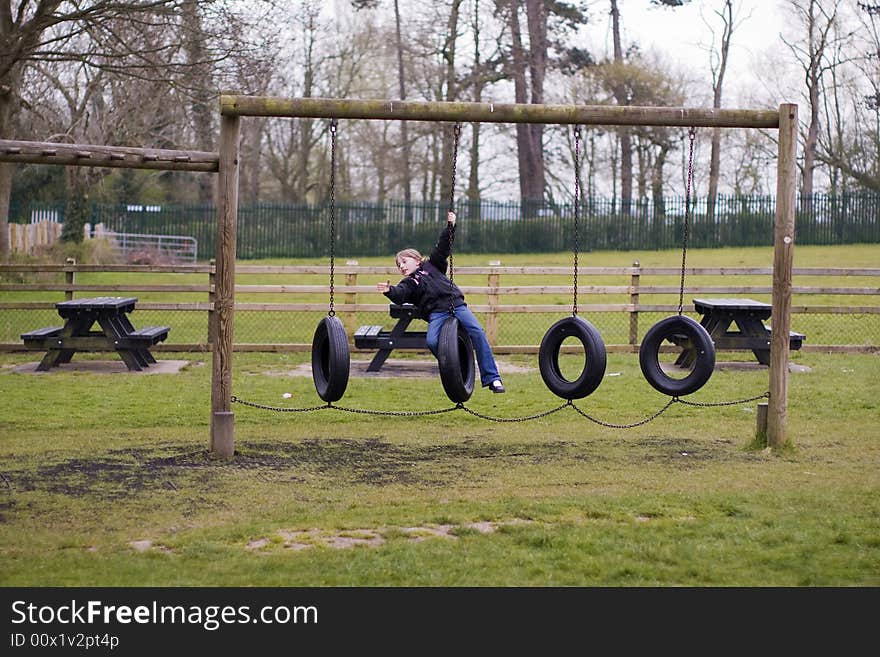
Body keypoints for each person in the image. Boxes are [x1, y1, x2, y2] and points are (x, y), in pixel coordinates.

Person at [376, 211, 505, 393]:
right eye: (399, 266)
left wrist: (451, 226)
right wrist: (390, 291)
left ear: (417, 259)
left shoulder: (432, 265)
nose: (402, 266)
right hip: (437, 313)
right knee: (432, 341)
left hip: (456, 305)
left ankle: (493, 378)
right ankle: (457, 367)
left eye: (404, 261)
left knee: (477, 332)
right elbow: (401, 294)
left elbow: (443, 247)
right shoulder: (409, 282)